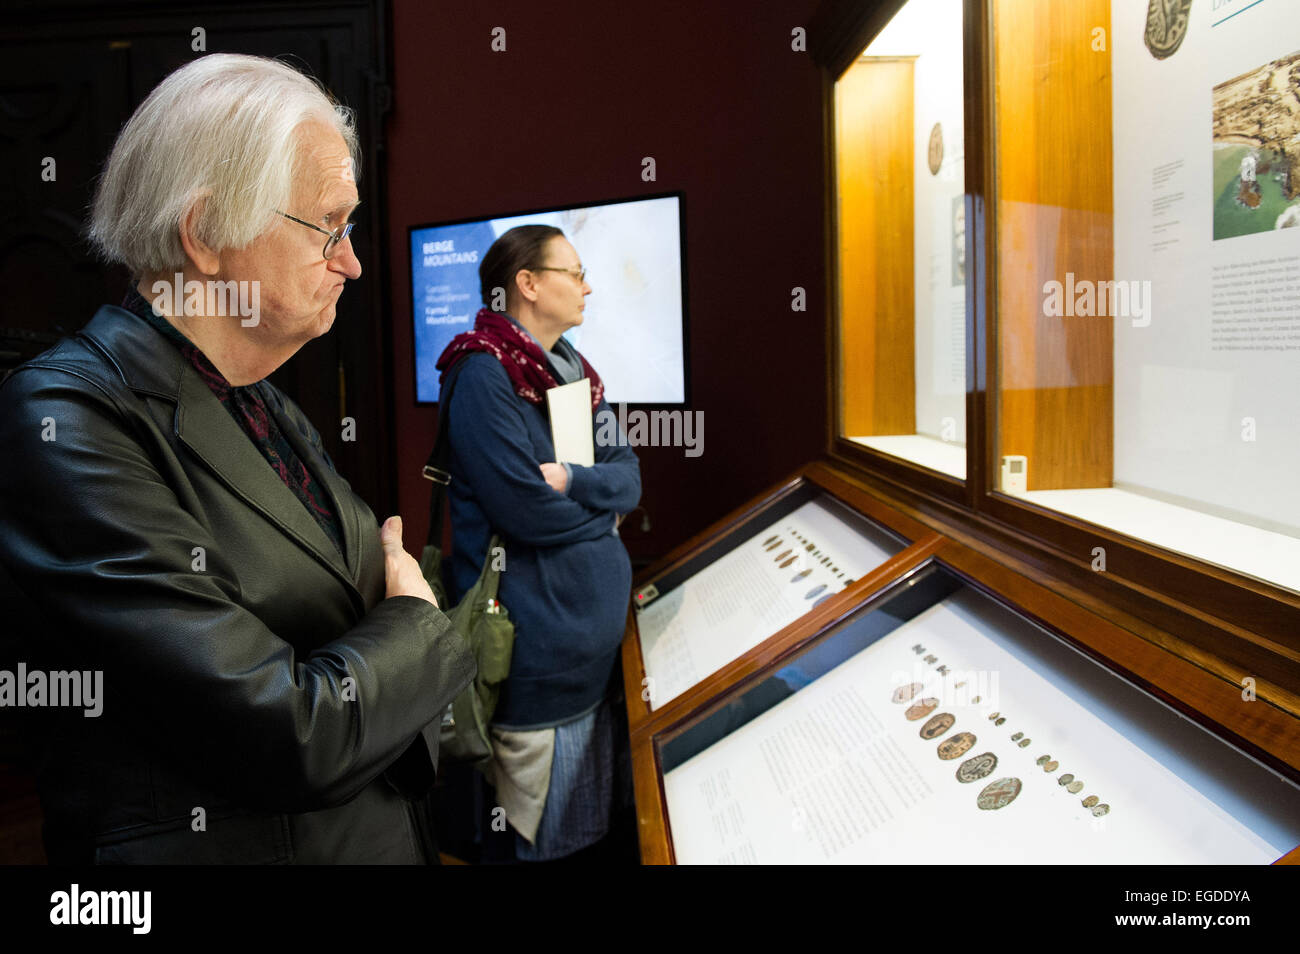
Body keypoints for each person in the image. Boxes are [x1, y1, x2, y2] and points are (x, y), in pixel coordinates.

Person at [0, 54, 473, 863]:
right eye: (329, 226)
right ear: (206, 234)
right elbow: (288, 732)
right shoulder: (65, 420)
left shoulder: (258, 396)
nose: (351, 261)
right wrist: (420, 625)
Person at [435, 225, 641, 861]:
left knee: (578, 839)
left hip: (589, 665)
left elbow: (627, 478)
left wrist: (578, 481)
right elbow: (527, 512)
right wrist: (600, 519)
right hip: (534, 670)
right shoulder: (481, 374)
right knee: (535, 844)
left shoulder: (571, 369)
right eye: (573, 273)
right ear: (526, 284)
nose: (586, 287)